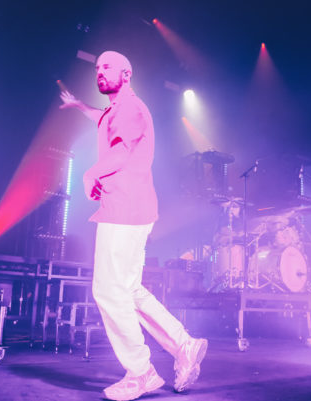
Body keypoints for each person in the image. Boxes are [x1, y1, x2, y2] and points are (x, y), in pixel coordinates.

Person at [59, 51, 207, 401]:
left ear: (127, 74)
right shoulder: (115, 110)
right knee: (129, 290)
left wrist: (91, 173)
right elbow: (100, 118)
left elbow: (122, 152)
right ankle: (184, 345)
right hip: (129, 209)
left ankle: (141, 372)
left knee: (109, 290)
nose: (100, 71)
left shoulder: (130, 109)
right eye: (97, 67)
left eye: (107, 66)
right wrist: (79, 105)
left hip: (124, 210)